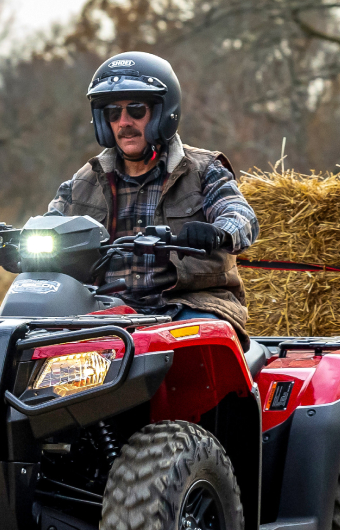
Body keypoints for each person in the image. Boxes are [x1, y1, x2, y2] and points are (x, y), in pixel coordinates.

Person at [47, 51, 259, 337]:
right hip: (105, 309)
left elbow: (241, 216)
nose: (124, 122)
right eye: (113, 113)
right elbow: (49, 225)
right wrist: (9, 243)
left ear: (163, 113)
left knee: (191, 351)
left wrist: (218, 232)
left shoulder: (203, 169)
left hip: (189, 305)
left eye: (136, 110)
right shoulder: (85, 181)